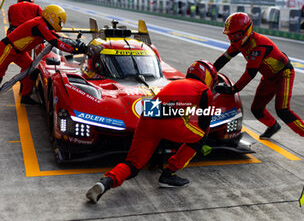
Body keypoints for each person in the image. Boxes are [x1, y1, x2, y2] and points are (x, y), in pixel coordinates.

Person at [86, 60, 218, 203]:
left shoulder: (176, 83)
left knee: (133, 165)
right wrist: (202, 139)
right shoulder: (204, 90)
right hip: (169, 118)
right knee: (200, 137)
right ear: (208, 77)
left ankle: (106, 182)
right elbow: (205, 123)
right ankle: (169, 174)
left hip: (148, 116)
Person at [213, 12, 304, 163]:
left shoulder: (258, 45)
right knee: (257, 109)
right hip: (268, 77)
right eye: (230, 35)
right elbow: (223, 59)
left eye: (235, 35)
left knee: (283, 110)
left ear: (246, 31)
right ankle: (273, 126)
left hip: (284, 74)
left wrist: (233, 89)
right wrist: (209, 73)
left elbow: (250, 73)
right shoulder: (239, 42)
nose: (232, 39)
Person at [0, 4, 87, 104]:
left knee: (33, 71)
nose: (60, 24)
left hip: (19, 52)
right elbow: (55, 42)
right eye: (60, 21)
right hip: (8, 48)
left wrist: (76, 44)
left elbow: (57, 38)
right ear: (53, 17)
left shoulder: (42, 24)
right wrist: (74, 50)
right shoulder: (40, 24)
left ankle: (25, 96)